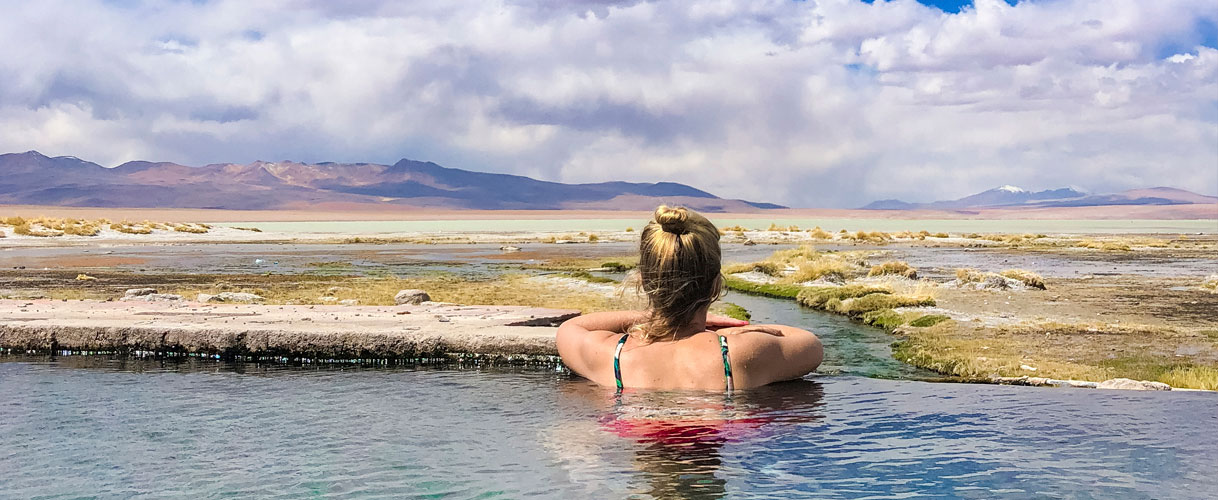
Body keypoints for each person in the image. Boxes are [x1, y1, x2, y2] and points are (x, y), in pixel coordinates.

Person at [557, 205, 823, 391]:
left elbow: (570, 328)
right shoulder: (739, 353)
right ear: (716, 286)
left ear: (643, 282)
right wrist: (739, 330)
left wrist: (649, 320)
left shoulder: (611, 354)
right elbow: (810, 345)